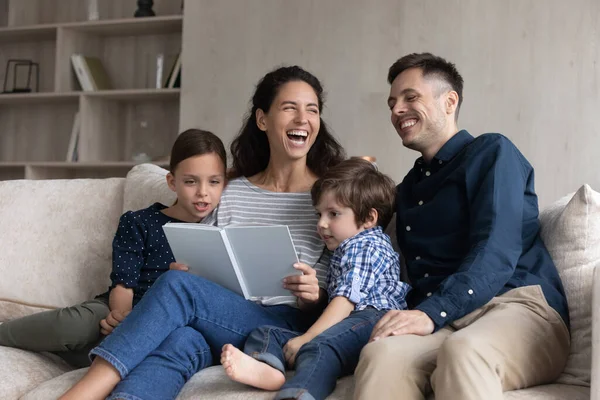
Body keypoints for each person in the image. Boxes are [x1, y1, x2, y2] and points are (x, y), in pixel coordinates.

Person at [59, 65, 346, 400]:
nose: (302, 119)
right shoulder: (232, 190)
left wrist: (314, 295)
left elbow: (344, 292)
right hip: (220, 318)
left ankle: (83, 393)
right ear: (262, 119)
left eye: (312, 110)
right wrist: (188, 269)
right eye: (289, 108)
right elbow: (202, 258)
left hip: (282, 326)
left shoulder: (329, 197)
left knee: (178, 288)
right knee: (178, 340)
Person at [353, 52, 570, 400]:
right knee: (381, 356)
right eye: (392, 103)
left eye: (411, 98)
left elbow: (496, 251)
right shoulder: (407, 190)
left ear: (449, 101)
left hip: (516, 308)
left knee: (465, 350)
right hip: (446, 321)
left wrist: (431, 313)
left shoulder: (493, 152)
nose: (396, 110)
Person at [0, 129, 226, 368]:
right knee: (77, 324)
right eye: (191, 181)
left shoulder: (222, 232)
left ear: (224, 183)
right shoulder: (140, 222)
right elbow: (123, 284)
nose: (203, 192)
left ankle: (92, 354)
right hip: (117, 312)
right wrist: (122, 319)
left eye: (214, 182)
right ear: (172, 181)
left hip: (165, 326)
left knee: (163, 345)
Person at [220, 158, 410, 400]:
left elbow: (345, 301)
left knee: (318, 346)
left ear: (369, 219)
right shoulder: (343, 248)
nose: (321, 223)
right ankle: (267, 369)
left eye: (333, 214)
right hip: (346, 323)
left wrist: (308, 337)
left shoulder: (366, 245)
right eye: (319, 213)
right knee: (268, 332)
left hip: (373, 319)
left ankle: (298, 394)